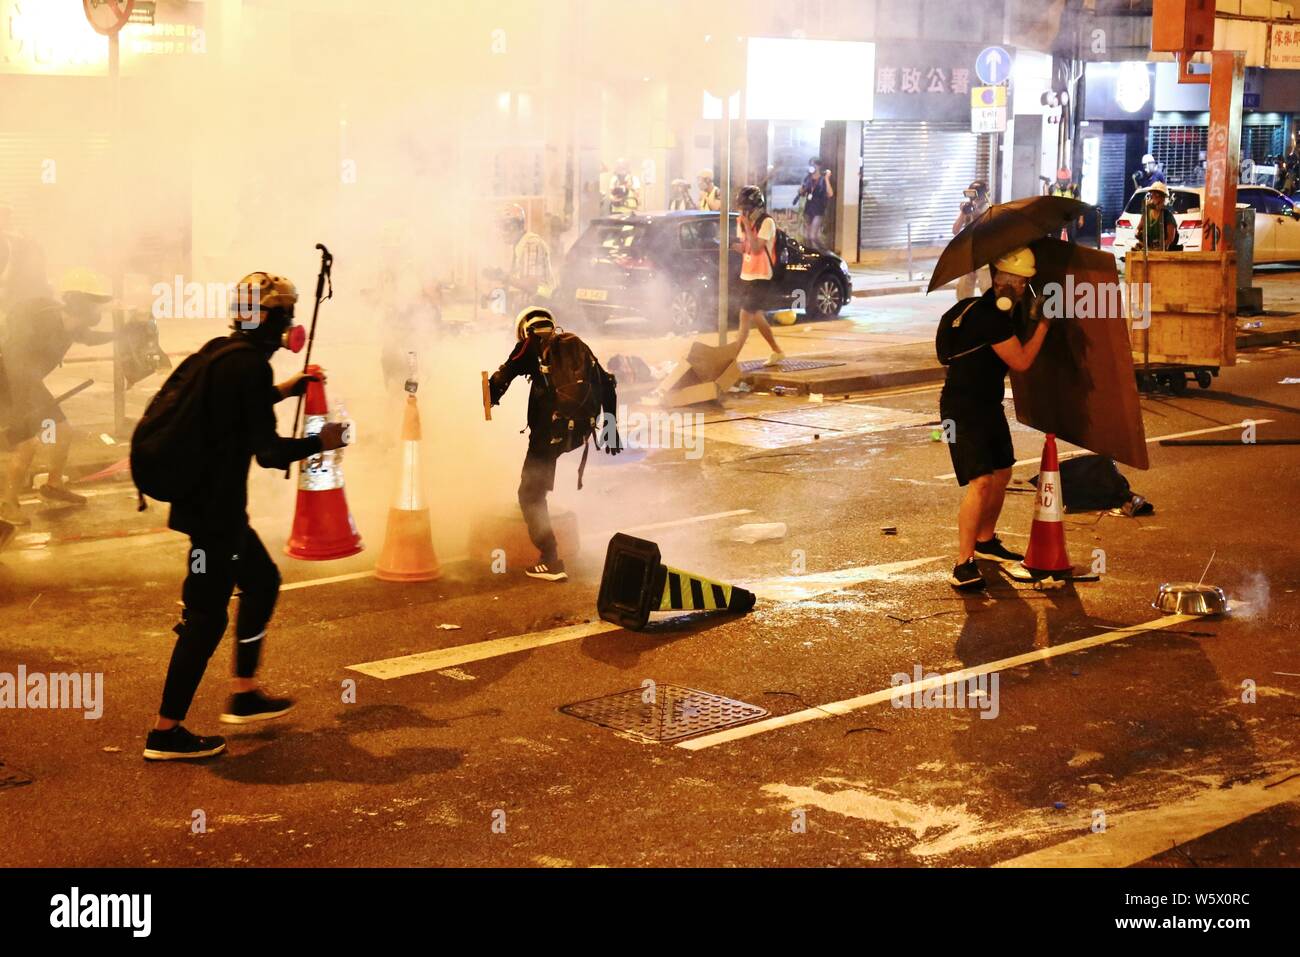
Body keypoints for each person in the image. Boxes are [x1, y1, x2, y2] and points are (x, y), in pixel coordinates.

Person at [143, 271, 349, 761]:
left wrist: (288, 388)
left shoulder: (222, 353)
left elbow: (238, 410)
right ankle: (165, 732)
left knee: (261, 580)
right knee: (206, 619)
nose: (292, 325)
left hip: (204, 507)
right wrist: (322, 442)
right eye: (287, 315)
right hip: (216, 515)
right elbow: (270, 452)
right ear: (276, 320)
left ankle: (244, 692)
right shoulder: (248, 367)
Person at [939, 246, 1052, 590]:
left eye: (1025, 283)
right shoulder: (988, 317)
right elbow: (1020, 361)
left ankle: (986, 540)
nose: (1022, 289)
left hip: (988, 405)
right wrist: (1044, 325)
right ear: (1002, 282)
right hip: (961, 410)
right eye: (1019, 283)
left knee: (1003, 472)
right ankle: (963, 563)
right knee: (982, 482)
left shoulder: (1002, 314)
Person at [488, 307, 618, 583]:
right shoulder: (576, 344)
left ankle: (550, 559)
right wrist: (612, 427)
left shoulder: (527, 345)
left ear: (525, 328)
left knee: (529, 495)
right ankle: (542, 493)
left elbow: (502, 377)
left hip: (548, 435)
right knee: (538, 484)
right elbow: (607, 383)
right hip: (577, 433)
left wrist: (490, 394)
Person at [0, 269, 115, 526]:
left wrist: (122, 335)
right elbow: (13, 362)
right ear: (79, 304)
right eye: (94, 304)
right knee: (26, 446)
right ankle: (7, 505)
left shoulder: (72, 324)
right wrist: (19, 411)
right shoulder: (41, 324)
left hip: (29, 385)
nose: (98, 312)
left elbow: (88, 338)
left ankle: (53, 485)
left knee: (63, 430)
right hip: (7, 385)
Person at [730, 186, 785, 367]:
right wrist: (729, 245)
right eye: (742, 208)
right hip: (747, 274)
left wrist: (747, 225)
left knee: (745, 314)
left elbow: (756, 248)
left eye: (747, 208)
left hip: (762, 276)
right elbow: (746, 248)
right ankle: (777, 351)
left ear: (756, 207)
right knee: (754, 315)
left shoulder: (766, 222)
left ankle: (731, 359)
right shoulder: (741, 221)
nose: (743, 212)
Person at [483, 204, 555, 317]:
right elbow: (519, 283)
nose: (500, 232)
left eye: (503, 227)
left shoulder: (531, 244)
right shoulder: (520, 244)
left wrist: (504, 277)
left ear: (513, 226)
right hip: (529, 308)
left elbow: (531, 286)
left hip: (541, 307)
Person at [952, 181, 991, 300]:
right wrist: (963, 213)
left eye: (976, 196)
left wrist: (976, 212)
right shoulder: (968, 208)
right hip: (969, 254)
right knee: (963, 289)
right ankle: (963, 313)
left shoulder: (990, 209)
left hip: (985, 255)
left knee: (987, 287)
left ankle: (992, 314)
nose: (974, 200)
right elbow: (955, 230)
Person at [797, 158, 834, 249]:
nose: (812, 167)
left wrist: (827, 178)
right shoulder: (808, 178)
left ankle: (824, 252)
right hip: (808, 209)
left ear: (819, 166)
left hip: (818, 210)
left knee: (813, 236)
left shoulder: (822, 179)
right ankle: (810, 254)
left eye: (814, 165)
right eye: (811, 165)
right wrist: (801, 190)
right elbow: (802, 192)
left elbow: (830, 194)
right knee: (807, 237)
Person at [1137, 182, 1181, 252]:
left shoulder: (1167, 216)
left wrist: (1159, 248)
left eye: (1158, 195)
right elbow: (1139, 229)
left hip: (1162, 252)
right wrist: (1139, 236)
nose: (1155, 198)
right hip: (1147, 250)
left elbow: (1170, 238)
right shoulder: (1146, 213)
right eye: (1153, 195)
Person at [1049, 167, 1085, 241]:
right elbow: (1047, 204)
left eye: (1065, 180)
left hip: (1069, 220)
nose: (1063, 182)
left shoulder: (1074, 188)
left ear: (1069, 179)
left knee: (1069, 238)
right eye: (1061, 180)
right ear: (1058, 179)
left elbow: (1080, 204)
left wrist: (1081, 218)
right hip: (1056, 219)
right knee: (1055, 238)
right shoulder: (1052, 188)